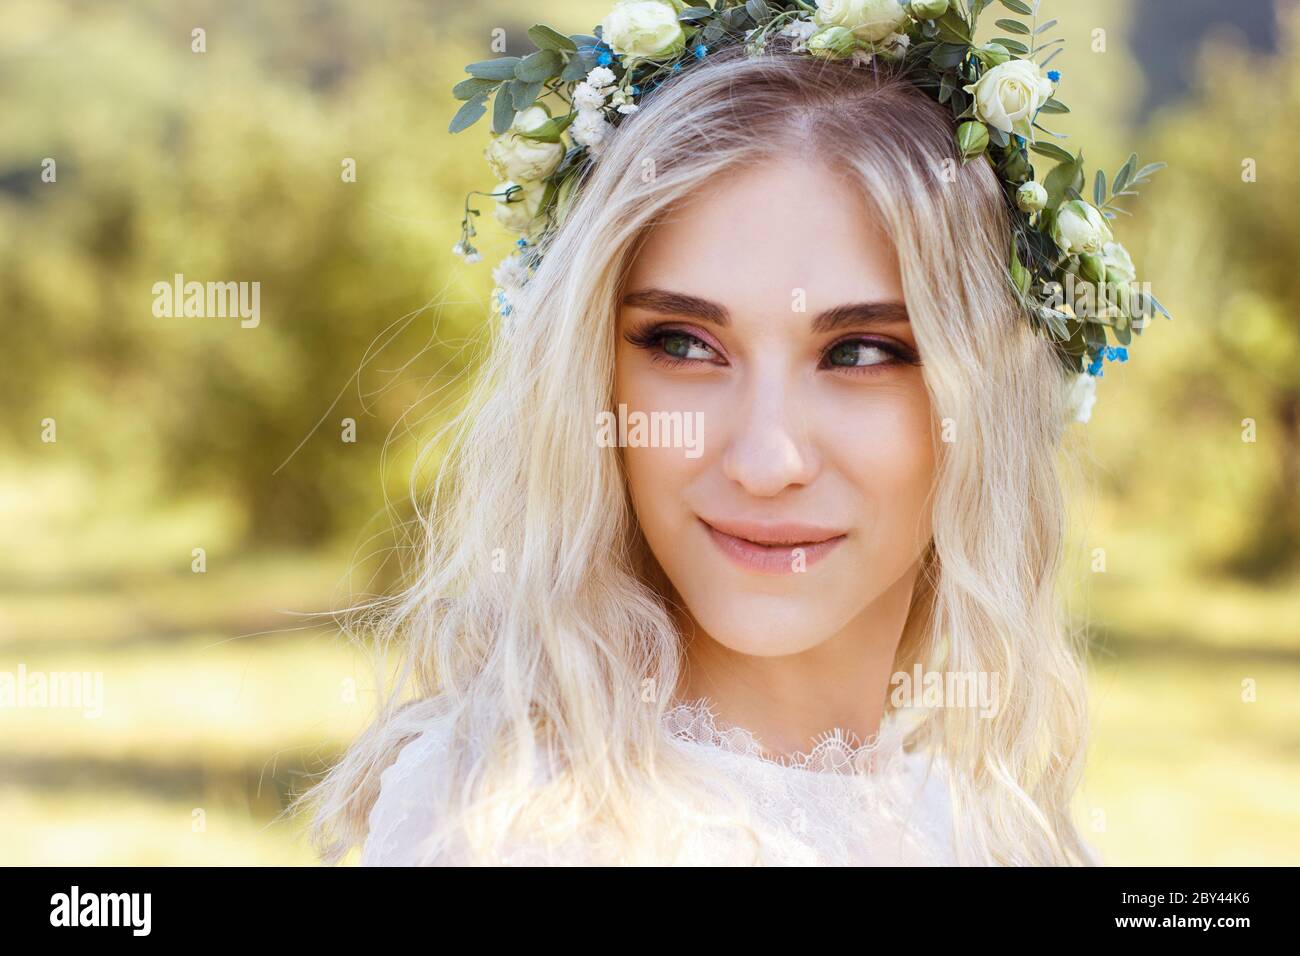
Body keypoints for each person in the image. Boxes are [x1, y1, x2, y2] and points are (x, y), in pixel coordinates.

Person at [305, 4, 1134, 866]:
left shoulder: (988, 829)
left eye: (858, 353)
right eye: (684, 345)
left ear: (984, 397)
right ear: (590, 376)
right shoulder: (505, 825)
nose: (765, 461)